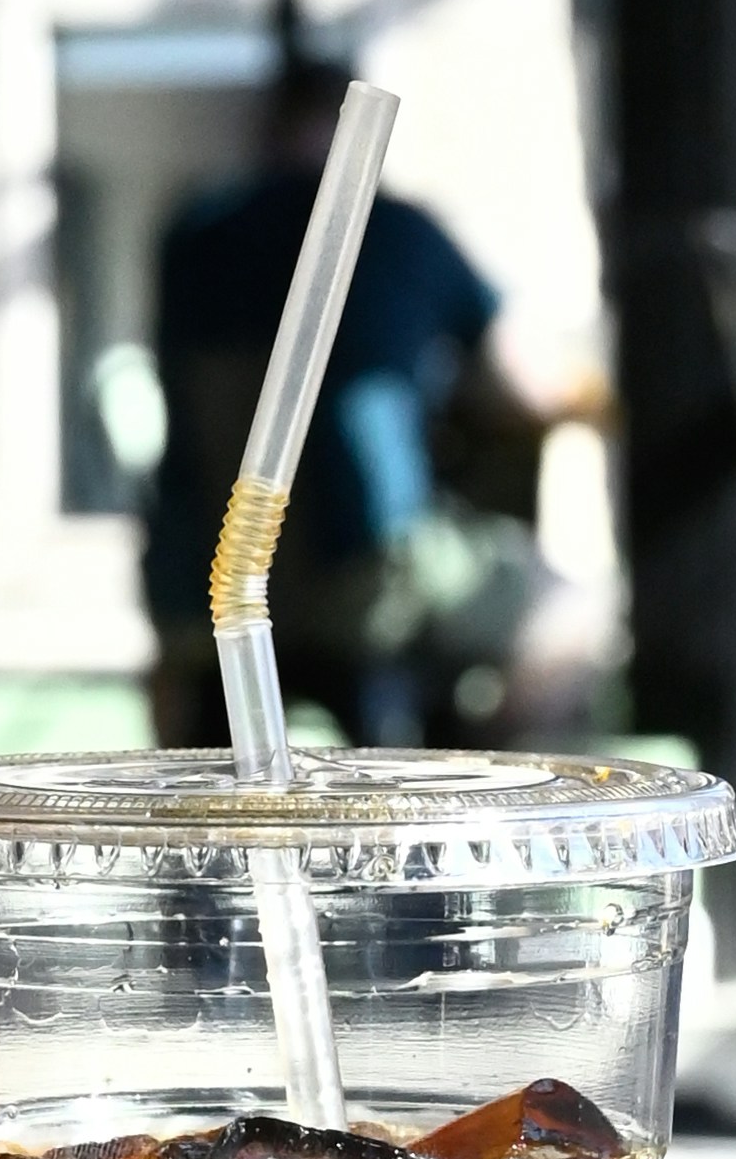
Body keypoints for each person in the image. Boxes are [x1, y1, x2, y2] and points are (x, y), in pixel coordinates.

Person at [141, 61, 552, 745]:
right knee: (567, 605)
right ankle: (459, 763)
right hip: (365, 581)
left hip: (193, 578)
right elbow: (520, 390)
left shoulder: (194, 237)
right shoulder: (400, 231)